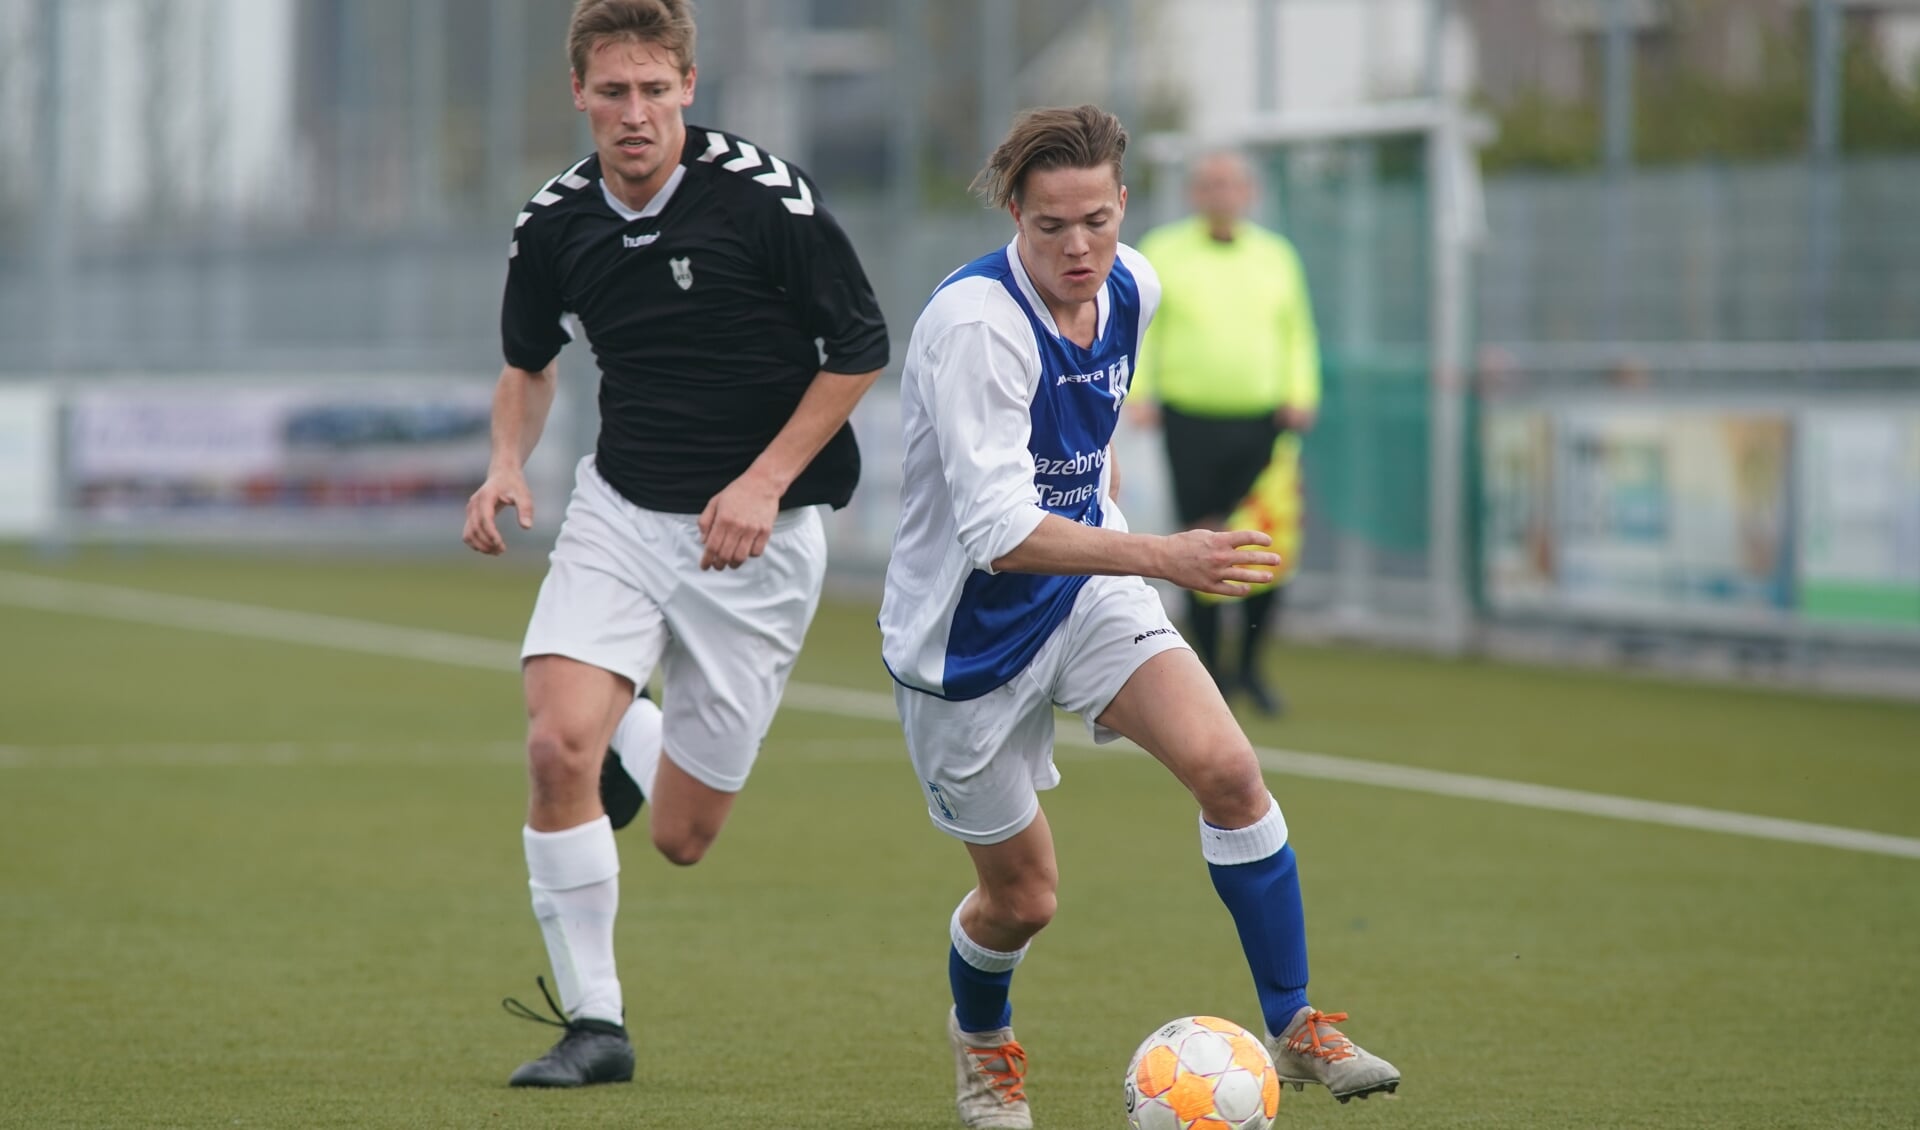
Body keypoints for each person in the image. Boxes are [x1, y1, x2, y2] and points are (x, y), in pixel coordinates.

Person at [878, 106, 1397, 1129]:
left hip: (1085, 592)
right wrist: (1163, 553)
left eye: (1097, 222)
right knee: (1023, 898)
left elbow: (1091, 429)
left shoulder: (1137, 286)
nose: (1078, 248)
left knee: (1231, 770)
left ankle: (1294, 1022)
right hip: (965, 641)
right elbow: (994, 531)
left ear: (1123, 206)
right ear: (1014, 216)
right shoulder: (975, 326)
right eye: (1051, 227)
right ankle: (983, 1042)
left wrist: (1120, 532)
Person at [462, 0, 887, 1089]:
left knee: (683, 836)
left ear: (689, 88)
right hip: (622, 511)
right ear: (580, 95)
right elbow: (528, 359)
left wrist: (762, 478)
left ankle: (634, 726)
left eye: (655, 90)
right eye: (614, 92)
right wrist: (507, 461)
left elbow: (859, 349)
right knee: (556, 744)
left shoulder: (765, 199)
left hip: (761, 539)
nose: (635, 113)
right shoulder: (553, 223)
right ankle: (594, 1023)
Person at [1130, 151, 1322, 716]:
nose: (1221, 194)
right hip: (1188, 418)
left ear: (1249, 193)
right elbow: (1143, 329)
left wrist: (1301, 391)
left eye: (1231, 184)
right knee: (1201, 543)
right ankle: (1210, 673)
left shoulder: (1276, 256)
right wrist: (1140, 391)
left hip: (1264, 421)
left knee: (1269, 545)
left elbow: (1297, 331)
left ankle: (1251, 669)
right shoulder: (1164, 250)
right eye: (1210, 184)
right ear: (1194, 193)